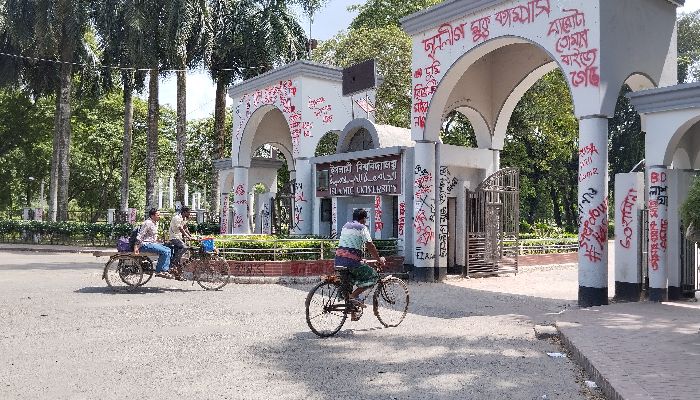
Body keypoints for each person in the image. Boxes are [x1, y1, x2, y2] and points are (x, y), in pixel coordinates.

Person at [334, 208, 386, 320]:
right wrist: (378, 259)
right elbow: (370, 245)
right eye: (365, 219)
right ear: (363, 219)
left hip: (338, 260)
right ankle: (353, 297)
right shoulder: (362, 228)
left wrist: (360, 259)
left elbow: (350, 245)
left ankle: (353, 313)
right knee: (374, 277)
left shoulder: (345, 226)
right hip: (351, 262)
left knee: (350, 281)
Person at [134, 208, 173, 279]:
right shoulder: (147, 223)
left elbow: (152, 236)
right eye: (158, 215)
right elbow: (141, 235)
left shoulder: (155, 223)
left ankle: (167, 268)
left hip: (152, 243)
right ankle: (160, 271)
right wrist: (136, 246)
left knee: (169, 249)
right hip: (145, 245)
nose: (159, 216)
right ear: (152, 216)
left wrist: (161, 241)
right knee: (165, 251)